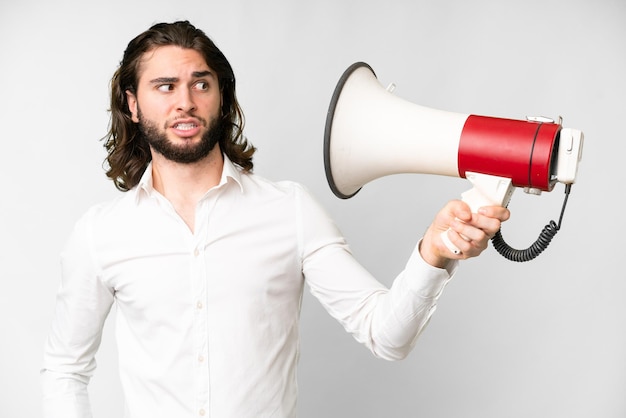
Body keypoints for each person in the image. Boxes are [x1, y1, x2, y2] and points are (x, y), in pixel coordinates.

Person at [41, 20, 509, 418]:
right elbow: (65, 369)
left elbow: (387, 336)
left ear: (221, 99)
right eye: (165, 86)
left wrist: (433, 253)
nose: (185, 101)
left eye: (201, 84)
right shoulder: (101, 233)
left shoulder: (289, 211)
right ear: (132, 104)